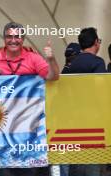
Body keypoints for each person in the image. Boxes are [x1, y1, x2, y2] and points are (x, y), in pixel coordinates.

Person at [0, 22, 59, 176]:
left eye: (17, 36)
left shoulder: (33, 58)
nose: (13, 40)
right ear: (4, 38)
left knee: (25, 171)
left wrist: (51, 59)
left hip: (26, 127)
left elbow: (53, 76)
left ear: (23, 39)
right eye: (9, 36)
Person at [68, 27, 106, 176]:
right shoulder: (98, 62)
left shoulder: (73, 63)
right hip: (93, 123)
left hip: (74, 121)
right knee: (92, 165)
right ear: (96, 42)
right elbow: (100, 90)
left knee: (76, 163)